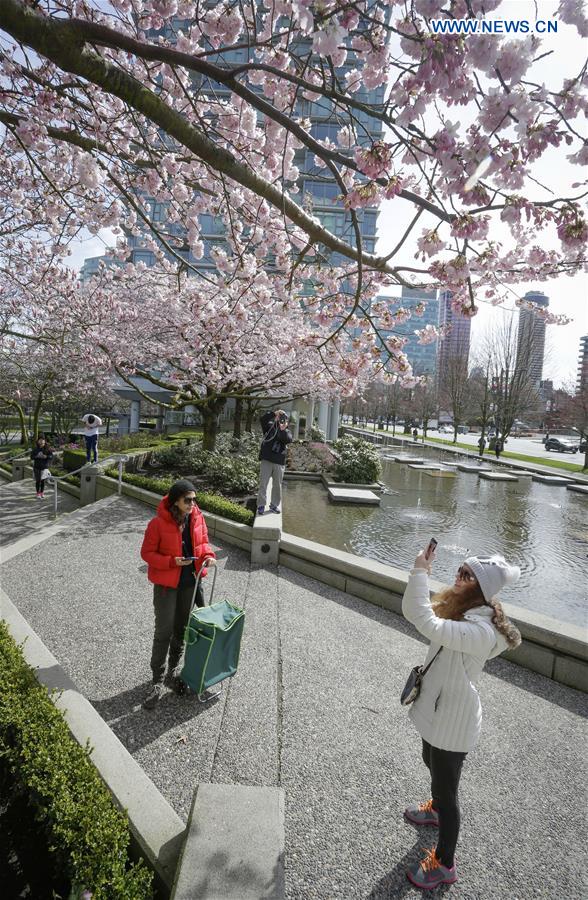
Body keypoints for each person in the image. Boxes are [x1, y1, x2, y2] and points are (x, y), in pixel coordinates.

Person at [401, 549, 521, 890]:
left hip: (455, 721)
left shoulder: (480, 630)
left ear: (481, 589)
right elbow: (420, 612)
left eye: (466, 576)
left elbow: (423, 620)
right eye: (459, 571)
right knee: (429, 758)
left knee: (447, 788)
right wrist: (423, 573)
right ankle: (437, 809)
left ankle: (445, 863)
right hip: (439, 709)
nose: (458, 578)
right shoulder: (462, 610)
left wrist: (419, 571)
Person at [140, 479, 216, 710]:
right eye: (187, 500)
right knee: (163, 632)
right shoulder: (157, 523)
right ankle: (157, 680)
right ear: (175, 501)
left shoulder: (197, 518)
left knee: (181, 630)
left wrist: (208, 556)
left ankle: (172, 672)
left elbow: (203, 543)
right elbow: (147, 553)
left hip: (189, 584)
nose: (192, 504)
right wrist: (171, 562)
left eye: (194, 499)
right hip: (166, 586)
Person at [257, 408, 292, 515]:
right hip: (267, 459)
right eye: (280, 418)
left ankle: (274, 505)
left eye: (284, 419)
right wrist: (274, 413)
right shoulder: (269, 426)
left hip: (279, 462)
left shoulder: (287, 432)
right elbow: (262, 419)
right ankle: (261, 505)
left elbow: (287, 440)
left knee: (277, 485)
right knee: (263, 484)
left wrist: (283, 429)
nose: (281, 420)